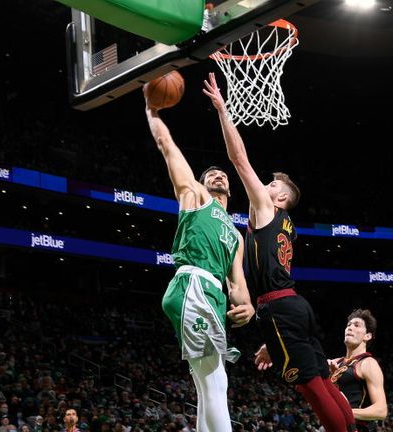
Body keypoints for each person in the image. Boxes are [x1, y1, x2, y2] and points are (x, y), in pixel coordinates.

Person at [202, 72, 355, 432]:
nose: (265, 186)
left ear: (282, 197)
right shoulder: (286, 224)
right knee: (323, 380)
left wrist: (223, 110)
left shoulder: (268, 209)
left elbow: (238, 159)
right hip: (293, 305)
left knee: (310, 386)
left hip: (278, 306)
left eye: (272, 185)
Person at [144, 85, 255, 432]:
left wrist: (248, 306)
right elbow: (168, 147)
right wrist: (152, 112)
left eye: (222, 175)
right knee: (215, 382)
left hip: (213, 297)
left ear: (231, 188)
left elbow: (237, 284)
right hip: (192, 284)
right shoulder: (195, 196)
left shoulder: (236, 234)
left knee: (209, 385)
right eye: (211, 176)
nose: (218, 175)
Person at [328, 309, 387, 431]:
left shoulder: (368, 363)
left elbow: (381, 410)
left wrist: (346, 412)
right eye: (348, 325)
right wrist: (326, 377)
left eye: (356, 325)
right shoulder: (335, 363)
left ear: (367, 336)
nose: (350, 328)